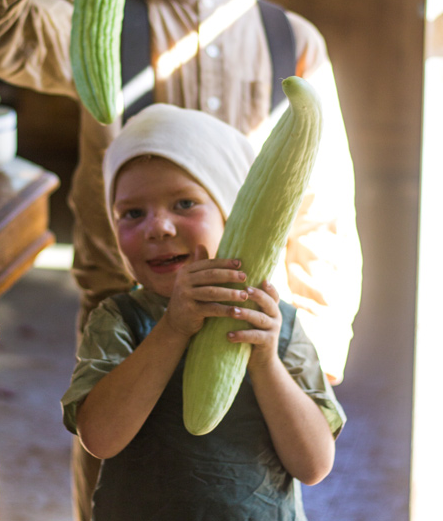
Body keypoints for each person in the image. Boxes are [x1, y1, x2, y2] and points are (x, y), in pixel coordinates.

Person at [0, 0, 362, 518]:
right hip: (125, 324)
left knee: (244, 494)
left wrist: (315, 351)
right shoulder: (94, 19)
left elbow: (322, 212)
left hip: (246, 334)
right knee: (116, 493)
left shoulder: (291, 42)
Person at [61, 103, 346, 520]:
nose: (159, 226)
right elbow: (99, 438)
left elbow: (315, 464)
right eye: (132, 213)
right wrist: (172, 329)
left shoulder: (275, 326)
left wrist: (266, 362)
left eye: (184, 204)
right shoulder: (117, 320)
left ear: (232, 217)